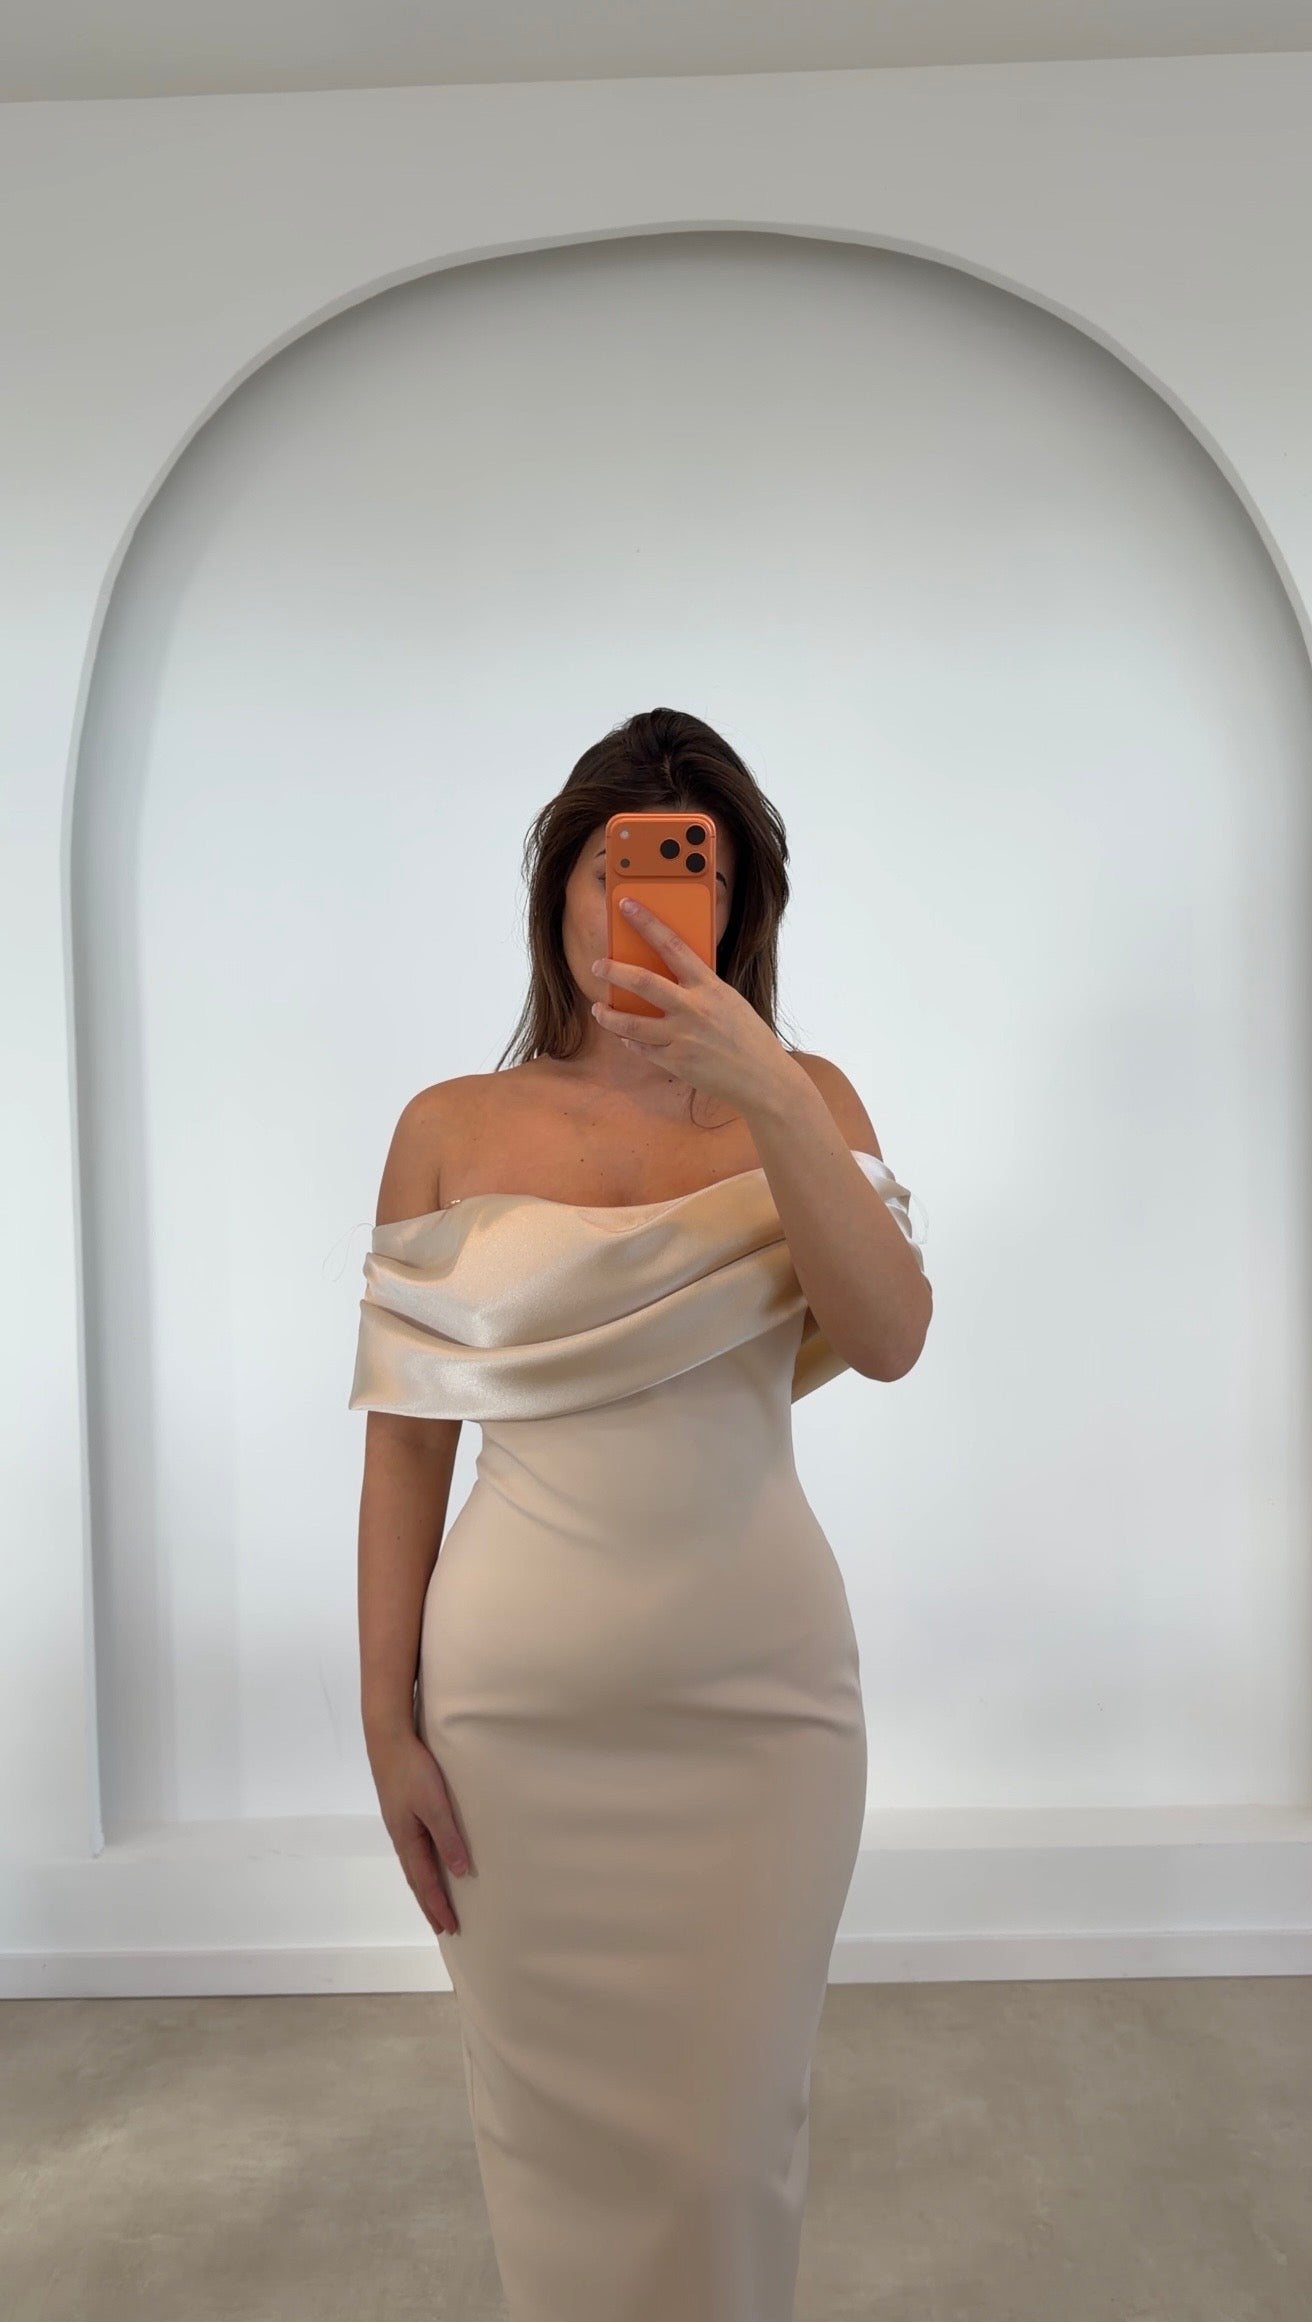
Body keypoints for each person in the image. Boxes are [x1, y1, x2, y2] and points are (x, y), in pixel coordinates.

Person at [349, 706, 932, 2322]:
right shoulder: (449, 1126)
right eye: (622, 867)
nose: (652, 903)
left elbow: (890, 1334)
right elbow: (405, 1451)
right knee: (553, 2169)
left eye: (697, 874)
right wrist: (385, 1724)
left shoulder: (804, 1096)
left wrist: (770, 1094)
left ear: (740, 910)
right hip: (517, 1733)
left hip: (764, 1718)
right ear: (559, 886)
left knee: (734, 2160)